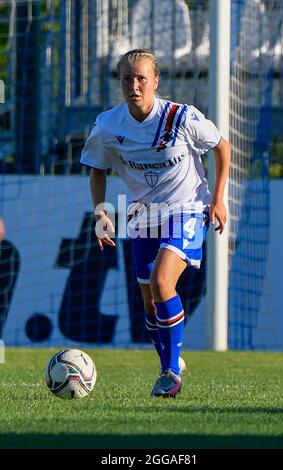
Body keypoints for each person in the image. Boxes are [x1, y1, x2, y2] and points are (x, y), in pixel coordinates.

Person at [81, 49, 230, 398]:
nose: (134, 85)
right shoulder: (107, 125)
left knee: (164, 282)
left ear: (155, 81)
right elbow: (97, 170)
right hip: (143, 215)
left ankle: (169, 373)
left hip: (188, 208)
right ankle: (171, 362)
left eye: (141, 78)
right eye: (126, 79)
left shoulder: (180, 117)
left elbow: (222, 148)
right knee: (148, 302)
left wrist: (218, 198)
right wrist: (101, 211)